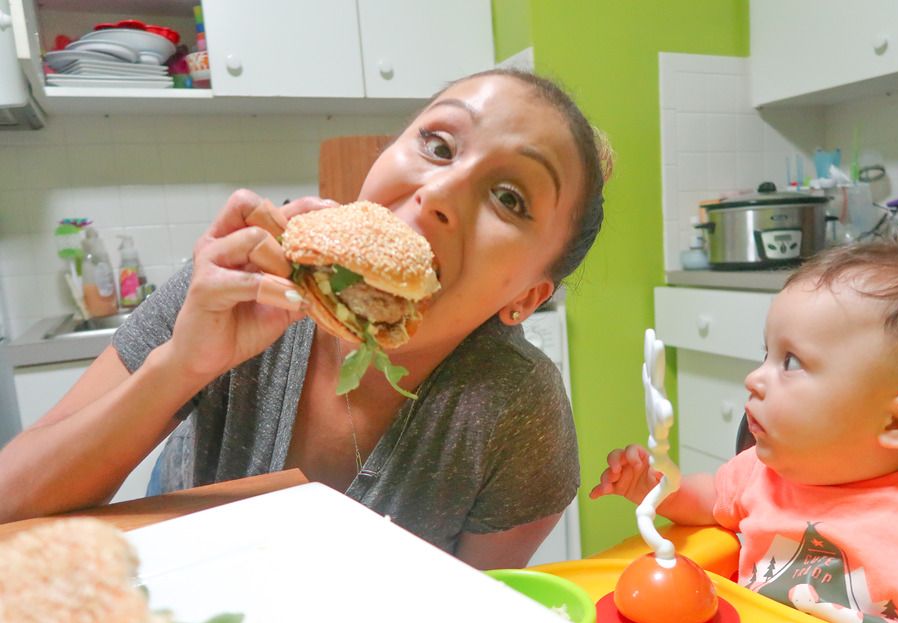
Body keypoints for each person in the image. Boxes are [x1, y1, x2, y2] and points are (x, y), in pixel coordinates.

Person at [0, 68, 612, 570]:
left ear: (527, 299)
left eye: (510, 198)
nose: (440, 193)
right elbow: (11, 505)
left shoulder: (517, 410)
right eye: (438, 145)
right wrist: (180, 368)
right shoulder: (234, 284)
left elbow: (471, 621)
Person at [590, 226, 898, 623]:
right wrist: (656, 488)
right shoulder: (764, 472)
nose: (754, 379)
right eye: (767, 354)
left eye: (791, 362)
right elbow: (708, 503)